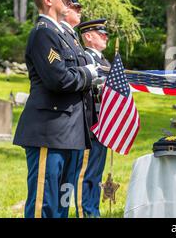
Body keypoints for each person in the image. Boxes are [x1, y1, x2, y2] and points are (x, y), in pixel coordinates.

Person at [13, 0, 99, 218]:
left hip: (70, 132)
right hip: (49, 132)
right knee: (45, 203)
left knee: (61, 204)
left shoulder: (64, 36)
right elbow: (58, 79)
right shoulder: (43, 33)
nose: (69, 1)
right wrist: (89, 74)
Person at [74, 18, 111, 217]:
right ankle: (86, 211)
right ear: (88, 36)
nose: (106, 37)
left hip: (103, 126)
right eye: (101, 33)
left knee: (96, 174)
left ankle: (92, 210)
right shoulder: (86, 58)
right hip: (91, 126)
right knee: (86, 175)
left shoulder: (104, 60)